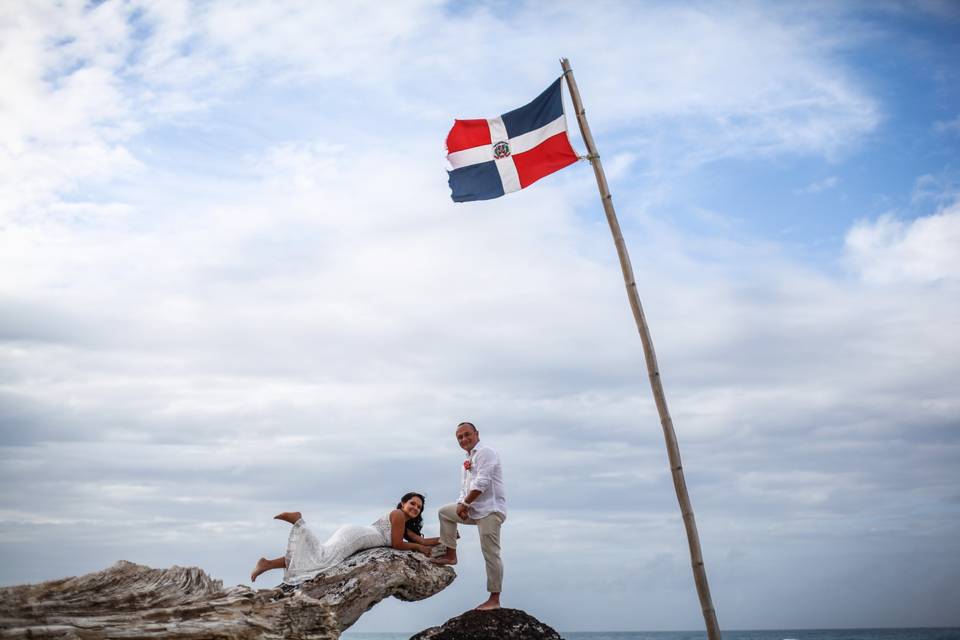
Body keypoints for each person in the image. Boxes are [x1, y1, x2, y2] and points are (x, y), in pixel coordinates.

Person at [250, 492, 440, 585]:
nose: (415, 508)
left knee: (315, 556)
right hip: (356, 538)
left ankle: (267, 564)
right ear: (402, 504)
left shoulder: (403, 524)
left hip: (354, 533)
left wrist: (446, 537)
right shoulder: (398, 515)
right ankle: (299, 521)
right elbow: (398, 545)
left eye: (419, 507)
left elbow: (423, 541)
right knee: (322, 559)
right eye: (412, 503)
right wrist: (417, 548)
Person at [433, 421, 506, 610]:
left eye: (467, 434)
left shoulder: (485, 453)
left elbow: (482, 482)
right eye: (460, 437)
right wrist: (460, 504)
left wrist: (466, 503)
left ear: (477, 434)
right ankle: (451, 554)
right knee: (445, 513)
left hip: (490, 510)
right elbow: (464, 488)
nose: (464, 439)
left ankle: (494, 598)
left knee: (490, 552)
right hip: (473, 509)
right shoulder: (466, 460)